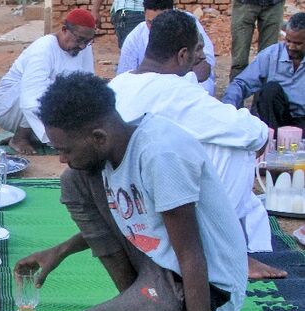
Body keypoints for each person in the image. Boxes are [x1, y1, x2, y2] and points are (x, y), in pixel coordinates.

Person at [17, 72, 255, 311]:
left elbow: (191, 254)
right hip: (157, 264)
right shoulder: (111, 148)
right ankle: (138, 300)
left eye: (66, 149)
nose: (61, 158)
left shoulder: (161, 154)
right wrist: (61, 250)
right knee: (74, 180)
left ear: (99, 137)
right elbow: (139, 221)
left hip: (204, 289)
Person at [109, 10, 285, 280]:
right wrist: (261, 136)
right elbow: (248, 132)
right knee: (234, 146)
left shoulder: (119, 84)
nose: (198, 58)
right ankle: (226, 251)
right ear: (182, 55)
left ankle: (235, 244)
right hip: (153, 203)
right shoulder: (173, 91)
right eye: (195, 53)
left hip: (124, 203)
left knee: (205, 136)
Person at [0, 9, 96, 155]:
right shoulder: (43, 48)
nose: (83, 46)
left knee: (75, 91)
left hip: (39, 103)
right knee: (55, 88)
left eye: (88, 41)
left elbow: (87, 85)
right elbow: (30, 100)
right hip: (8, 105)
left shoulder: (83, 48)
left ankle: (33, 135)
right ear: (64, 30)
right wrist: (57, 140)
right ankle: (20, 138)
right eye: (80, 40)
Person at [222, 13, 305, 131]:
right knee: (269, 90)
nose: (291, 46)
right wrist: (227, 108)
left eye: (298, 43)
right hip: (276, 119)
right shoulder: (271, 55)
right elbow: (241, 84)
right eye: (288, 41)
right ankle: (272, 143)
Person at [116, 0, 216, 95]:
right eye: (150, 22)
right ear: (144, 14)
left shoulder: (188, 24)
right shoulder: (135, 38)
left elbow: (206, 63)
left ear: (172, 13)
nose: (155, 27)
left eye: (161, 22)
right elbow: (126, 79)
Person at [229, 0, 285, 80]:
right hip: (244, 4)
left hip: (274, 5)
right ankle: (237, 90)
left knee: (267, 60)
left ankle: (263, 91)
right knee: (239, 61)